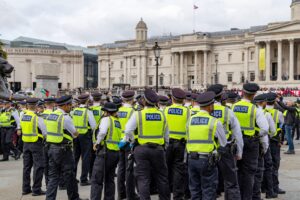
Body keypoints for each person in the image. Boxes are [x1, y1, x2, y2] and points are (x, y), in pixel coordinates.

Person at [125, 89, 170, 200]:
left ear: (144, 101)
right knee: (162, 178)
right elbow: (166, 135)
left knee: (143, 178)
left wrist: (133, 140)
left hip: (142, 149)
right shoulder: (162, 115)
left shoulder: (138, 114)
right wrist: (165, 146)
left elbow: (128, 130)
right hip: (158, 149)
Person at [186, 91, 227, 200]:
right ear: (210, 106)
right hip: (207, 160)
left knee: (195, 191)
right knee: (208, 191)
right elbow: (223, 142)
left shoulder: (190, 120)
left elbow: (188, 138)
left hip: (192, 159)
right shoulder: (214, 122)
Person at [45, 95, 87, 200]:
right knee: (70, 176)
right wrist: (76, 132)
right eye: (70, 105)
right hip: (64, 150)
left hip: (51, 148)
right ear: (65, 105)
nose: (71, 107)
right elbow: (74, 133)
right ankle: (74, 198)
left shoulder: (51, 115)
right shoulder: (65, 118)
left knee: (53, 177)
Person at [232, 83, 269, 200]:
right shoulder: (255, 109)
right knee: (249, 173)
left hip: (235, 141)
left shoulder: (233, 107)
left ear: (242, 92)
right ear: (253, 95)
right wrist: (257, 135)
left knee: (237, 170)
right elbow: (265, 129)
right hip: (250, 142)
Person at [208, 84, 243, 200]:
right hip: (225, 148)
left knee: (208, 183)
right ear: (222, 96)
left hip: (207, 149)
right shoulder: (228, 112)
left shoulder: (200, 110)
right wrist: (239, 151)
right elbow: (237, 133)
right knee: (231, 181)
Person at [90, 102, 122, 200]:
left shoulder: (106, 119)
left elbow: (103, 132)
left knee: (97, 179)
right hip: (115, 152)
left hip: (105, 152)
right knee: (109, 179)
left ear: (106, 112)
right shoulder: (117, 121)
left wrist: (97, 143)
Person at [164, 88, 190, 200]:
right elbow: (188, 128)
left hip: (168, 143)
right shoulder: (186, 111)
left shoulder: (166, 110)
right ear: (182, 100)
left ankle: (166, 193)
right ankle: (177, 195)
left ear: (172, 99)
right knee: (179, 170)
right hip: (181, 144)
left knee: (166, 169)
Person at [19, 98, 47, 196]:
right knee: (38, 166)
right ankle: (36, 189)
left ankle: (25, 188)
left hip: (25, 143)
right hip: (36, 144)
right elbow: (45, 132)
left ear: (27, 106)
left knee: (26, 167)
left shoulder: (23, 116)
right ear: (36, 106)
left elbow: (21, 127)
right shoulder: (37, 117)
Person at [252, 94, 277, 199]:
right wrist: (267, 137)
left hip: (250, 143)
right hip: (263, 144)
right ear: (263, 103)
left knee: (251, 170)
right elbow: (273, 131)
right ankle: (269, 191)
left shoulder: (251, 112)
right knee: (267, 167)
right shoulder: (266, 114)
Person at [116, 90, 139, 200]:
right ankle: (131, 194)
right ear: (132, 99)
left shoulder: (118, 110)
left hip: (119, 141)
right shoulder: (133, 111)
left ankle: (121, 193)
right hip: (129, 141)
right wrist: (133, 140)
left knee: (121, 168)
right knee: (129, 170)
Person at [72, 94, 97, 185]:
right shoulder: (87, 112)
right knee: (86, 157)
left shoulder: (74, 110)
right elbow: (94, 126)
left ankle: (73, 177)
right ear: (87, 101)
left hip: (75, 135)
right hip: (85, 136)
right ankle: (83, 179)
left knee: (75, 156)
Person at [265, 93, 286, 195]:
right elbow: (282, 127)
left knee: (264, 164)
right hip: (274, 140)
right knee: (274, 165)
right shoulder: (278, 113)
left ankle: (264, 187)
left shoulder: (261, 112)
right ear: (274, 102)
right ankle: (274, 187)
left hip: (263, 140)